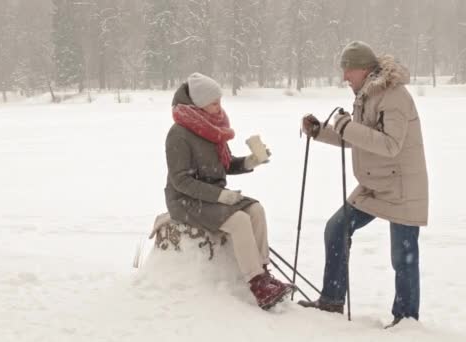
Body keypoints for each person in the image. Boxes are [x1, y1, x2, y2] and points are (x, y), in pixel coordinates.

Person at [298, 41, 429, 327]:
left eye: (348, 70)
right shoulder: (365, 94)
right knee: (336, 228)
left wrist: (347, 126)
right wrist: (322, 131)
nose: (345, 77)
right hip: (373, 183)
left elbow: (391, 145)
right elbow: (358, 138)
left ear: (365, 69)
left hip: (401, 186)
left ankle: (406, 319)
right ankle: (331, 299)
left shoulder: (393, 96)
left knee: (403, 254)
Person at [164, 72, 293, 310]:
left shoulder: (211, 127)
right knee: (239, 220)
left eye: (220, 101)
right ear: (199, 104)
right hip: (185, 200)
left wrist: (250, 161)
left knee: (255, 209)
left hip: (211, 194)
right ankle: (257, 284)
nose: (219, 107)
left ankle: (264, 272)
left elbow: (225, 164)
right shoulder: (178, 134)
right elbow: (181, 181)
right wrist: (221, 196)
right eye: (214, 103)